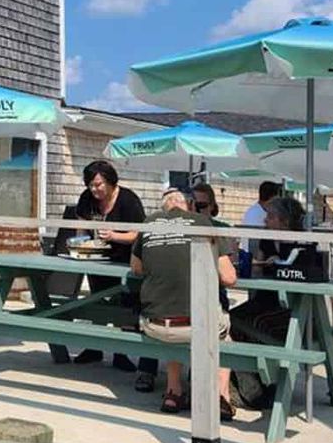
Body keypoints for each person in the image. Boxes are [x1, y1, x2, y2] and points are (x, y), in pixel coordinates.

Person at [131, 188, 237, 418]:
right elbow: (229, 278)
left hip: (155, 326)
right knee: (224, 333)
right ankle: (220, 396)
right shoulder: (202, 223)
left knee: (174, 313)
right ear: (188, 205)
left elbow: (136, 268)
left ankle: (173, 392)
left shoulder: (149, 224)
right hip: (194, 327)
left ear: (163, 208)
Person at [228, 195, 313, 408]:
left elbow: (305, 275)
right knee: (228, 320)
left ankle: (259, 387)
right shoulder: (266, 239)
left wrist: (279, 264)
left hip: (293, 309)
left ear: (285, 221)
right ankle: (252, 387)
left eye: (271, 217)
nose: (265, 221)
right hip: (265, 300)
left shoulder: (303, 244)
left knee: (254, 325)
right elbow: (257, 267)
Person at [72, 160, 146, 369]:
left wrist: (114, 235)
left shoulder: (128, 200)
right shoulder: (87, 198)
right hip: (96, 258)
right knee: (96, 301)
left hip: (124, 259)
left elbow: (139, 235)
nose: (94, 189)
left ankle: (121, 353)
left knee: (123, 305)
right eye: (91, 185)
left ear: (111, 181)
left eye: (98, 184)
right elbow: (80, 225)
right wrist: (80, 244)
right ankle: (95, 347)